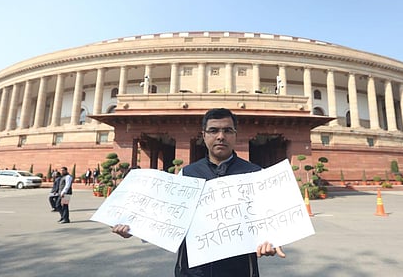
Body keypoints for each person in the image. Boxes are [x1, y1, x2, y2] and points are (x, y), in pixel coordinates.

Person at [112, 108, 285, 276]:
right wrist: (134, 229)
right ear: (203, 135)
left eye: (227, 130)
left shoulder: (255, 174)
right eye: (213, 130)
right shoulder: (186, 175)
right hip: (192, 271)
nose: (220, 136)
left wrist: (272, 239)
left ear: (235, 135)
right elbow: (166, 218)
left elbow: (267, 220)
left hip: (239, 270)